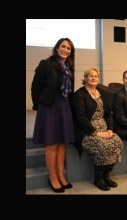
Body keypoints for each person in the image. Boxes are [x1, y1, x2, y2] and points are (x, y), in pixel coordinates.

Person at [31, 38, 75, 193]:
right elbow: (35, 87)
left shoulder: (69, 67)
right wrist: (39, 106)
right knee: (52, 143)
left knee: (62, 143)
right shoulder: (46, 64)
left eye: (69, 48)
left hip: (64, 106)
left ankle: (60, 174)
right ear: (57, 48)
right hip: (49, 106)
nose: (66, 50)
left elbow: (70, 91)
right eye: (63, 46)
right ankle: (53, 177)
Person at [73, 67, 123, 191]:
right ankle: (98, 178)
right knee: (102, 146)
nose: (94, 78)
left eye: (96, 76)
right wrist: (97, 133)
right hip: (88, 131)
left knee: (117, 142)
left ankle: (106, 174)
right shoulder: (79, 94)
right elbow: (81, 117)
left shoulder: (101, 93)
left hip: (105, 130)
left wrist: (110, 129)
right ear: (85, 78)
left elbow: (108, 114)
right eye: (91, 76)